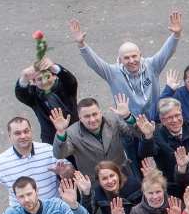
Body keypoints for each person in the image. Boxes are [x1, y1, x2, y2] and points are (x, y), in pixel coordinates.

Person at [69, 13, 182, 170]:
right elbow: (95, 63)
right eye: (126, 58)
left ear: (140, 55)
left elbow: (167, 52)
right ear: (120, 59)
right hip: (129, 129)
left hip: (154, 124)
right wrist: (82, 45)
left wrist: (176, 35)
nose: (131, 61)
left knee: (164, 162)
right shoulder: (113, 73)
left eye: (134, 56)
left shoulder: (152, 66)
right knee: (137, 166)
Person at [135, 98, 189, 194]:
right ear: (162, 121)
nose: (175, 120)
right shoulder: (158, 135)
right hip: (174, 188)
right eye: (170, 117)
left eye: (177, 115)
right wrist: (148, 136)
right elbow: (145, 153)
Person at [52, 96, 142, 180]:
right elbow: (60, 154)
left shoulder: (112, 119)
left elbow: (136, 133)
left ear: (100, 112)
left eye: (94, 114)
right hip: (96, 183)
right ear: (80, 117)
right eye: (87, 116)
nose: (92, 119)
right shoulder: (72, 133)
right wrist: (61, 132)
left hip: (122, 175)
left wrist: (127, 117)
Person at [15, 55, 79, 146]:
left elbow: (70, 80)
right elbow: (21, 94)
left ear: (54, 76)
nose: (45, 82)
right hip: (51, 140)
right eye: (39, 79)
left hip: (75, 135)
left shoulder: (65, 87)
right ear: (34, 82)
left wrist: (53, 67)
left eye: (47, 77)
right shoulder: (34, 95)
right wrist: (25, 78)